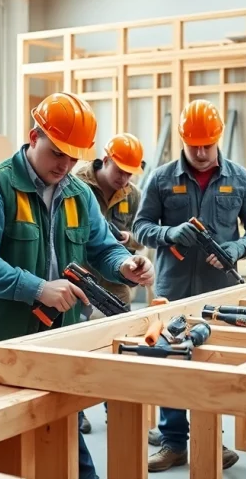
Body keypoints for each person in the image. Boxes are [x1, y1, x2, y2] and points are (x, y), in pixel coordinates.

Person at [0, 92, 155, 479]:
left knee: (65, 453)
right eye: (56, 152)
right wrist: (37, 288)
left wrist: (124, 266)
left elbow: (102, 248)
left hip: (55, 347)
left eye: (73, 156)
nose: (64, 164)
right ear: (33, 137)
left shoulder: (80, 195)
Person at [134, 99, 246, 472]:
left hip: (219, 291)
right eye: (194, 145)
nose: (200, 152)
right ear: (182, 139)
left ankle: (212, 437)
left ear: (218, 139)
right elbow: (141, 226)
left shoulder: (241, 179)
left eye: (207, 145)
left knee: (212, 364)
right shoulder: (161, 178)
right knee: (171, 363)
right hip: (173, 290)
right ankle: (174, 443)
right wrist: (169, 233)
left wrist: (238, 247)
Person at [73, 131, 146, 434]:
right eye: (119, 171)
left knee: (119, 345)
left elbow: (144, 232)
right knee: (76, 346)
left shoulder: (134, 194)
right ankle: (76, 411)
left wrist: (130, 240)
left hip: (116, 278)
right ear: (105, 160)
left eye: (130, 173)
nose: (124, 179)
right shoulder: (77, 183)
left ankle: (114, 405)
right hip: (78, 275)